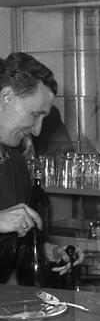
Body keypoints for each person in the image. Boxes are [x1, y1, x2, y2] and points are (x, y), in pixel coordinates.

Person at [0, 52, 83, 283]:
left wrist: (44, 250)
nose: (37, 130)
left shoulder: (14, 160)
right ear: (6, 98)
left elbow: (10, 237)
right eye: (35, 114)